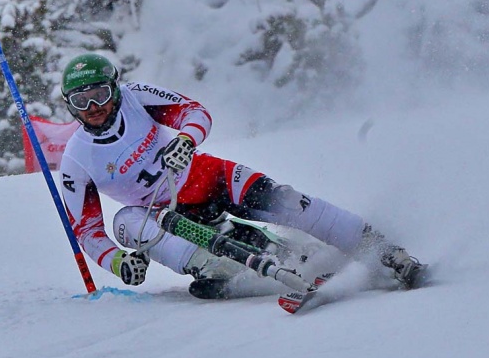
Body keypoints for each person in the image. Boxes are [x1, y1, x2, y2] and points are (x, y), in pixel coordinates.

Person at [58, 53, 423, 299]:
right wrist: (117, 262)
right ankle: (224, 268)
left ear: (116, 88)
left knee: (290, 202)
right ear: (69, 105)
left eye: (100, 94)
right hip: (165, 214)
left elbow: (193, 111)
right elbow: (86, 231)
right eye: (81, 101)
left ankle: (383, 251)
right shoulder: (77, 160)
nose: (94, 108)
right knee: (127, 221)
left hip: (204, 176)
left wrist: (186, 140)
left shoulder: (137, 97)